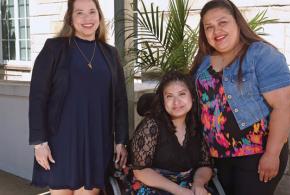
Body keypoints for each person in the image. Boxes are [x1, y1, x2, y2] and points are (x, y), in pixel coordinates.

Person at [190, 0, 290, 194]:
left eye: (223, 23)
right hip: (217, 157)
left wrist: (272, 154)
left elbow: (285, 105)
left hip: (256, 156)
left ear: (237, 23)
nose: (216, 31)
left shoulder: (262, 55)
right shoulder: (204, 61)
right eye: (209, 27)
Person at [28, 0, 128, 194]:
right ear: (70, 19)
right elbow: (38, 97)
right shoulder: (54, 48)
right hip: (60, 144)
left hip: (97, 143)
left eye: (92, 12)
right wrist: (39, 143)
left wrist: (120, 141)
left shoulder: (110, 54)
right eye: (79, 13)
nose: (87, 18)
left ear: (99, 16)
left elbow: (120, 101)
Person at [129, 71, 213, 195]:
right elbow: (140, 171)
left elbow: (205, 165)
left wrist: (198, 184)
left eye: (182, 94)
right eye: (169, 96)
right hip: (154, 188)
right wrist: (179, 191)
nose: (176, 102)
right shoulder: (151, 125)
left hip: (187, 188)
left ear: (193, 97)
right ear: (163, 101)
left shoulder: (196, 125)